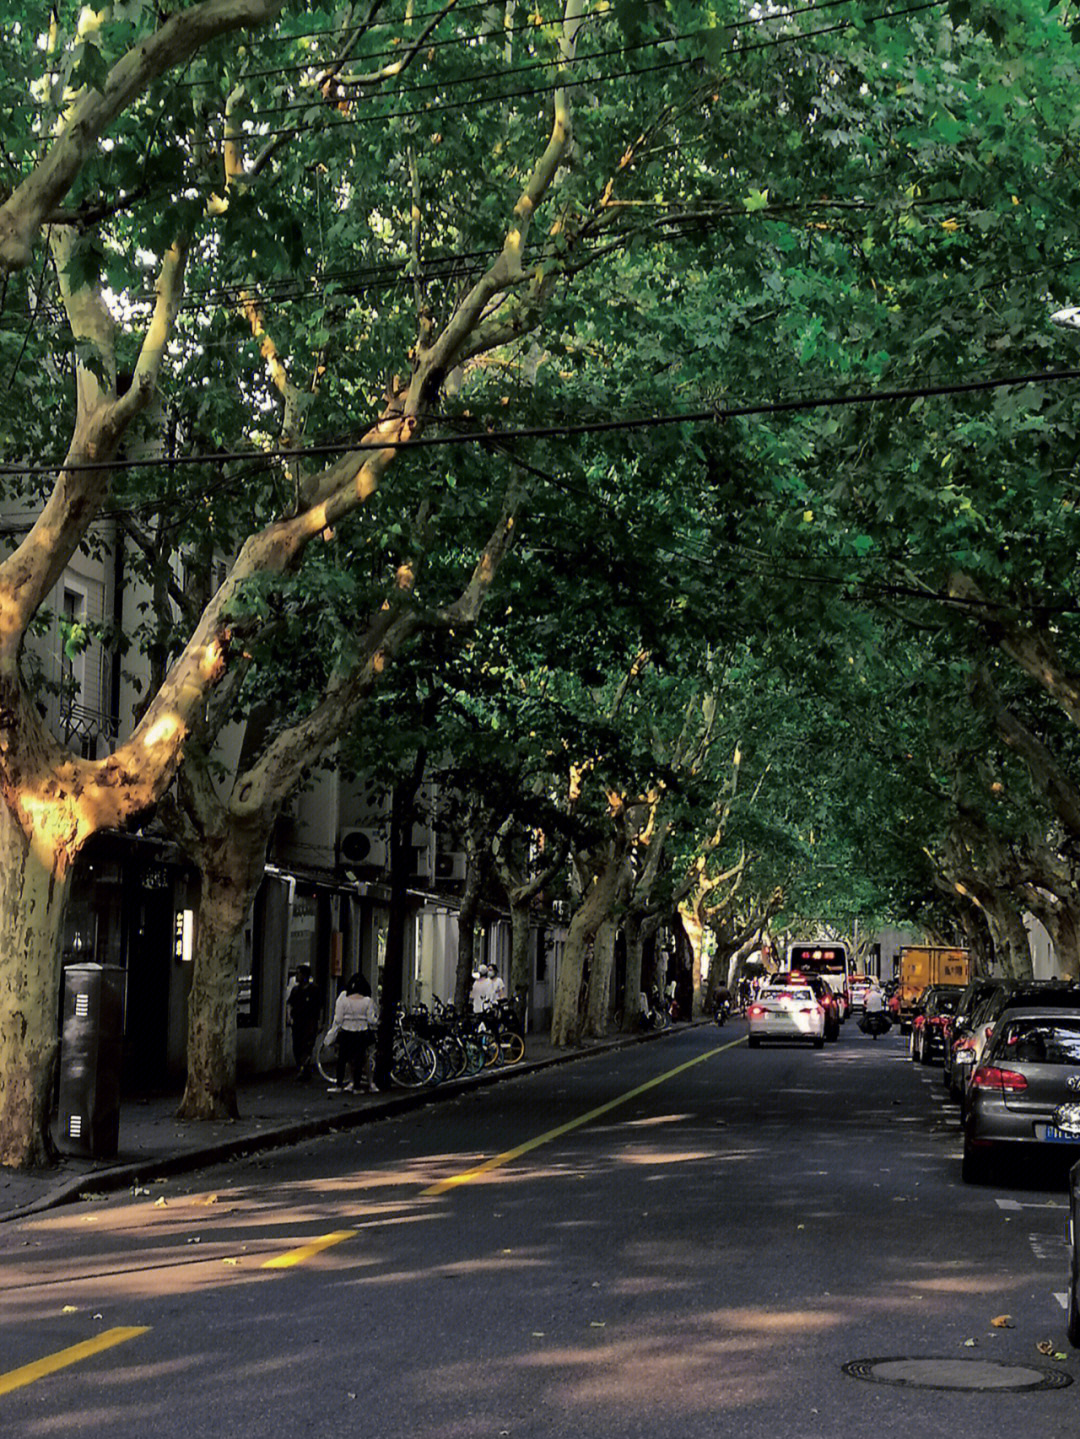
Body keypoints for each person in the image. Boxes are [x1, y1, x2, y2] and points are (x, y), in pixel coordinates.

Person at [325, 973, 378, 1093]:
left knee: (342, 1059)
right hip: (361, 1032)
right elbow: (371, 1020)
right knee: (359, 1060)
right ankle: (357, 1087)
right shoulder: (367, 1001)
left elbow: (338, 1019)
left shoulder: (344, 1000)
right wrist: (376, 1019)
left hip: (346, 1032)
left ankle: (339, 1085)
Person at [285, 965, 321, 1081]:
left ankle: (303, 1068)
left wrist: (320, 1022)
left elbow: (319, 1007)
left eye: (299, 974)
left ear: (305, 976)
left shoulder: (314, 990)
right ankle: (302, 1068)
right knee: (297, 1046)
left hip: (310, 1021)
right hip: (298, 1021)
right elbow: (289, 1004)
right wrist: (289, 1017)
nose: (297, 976)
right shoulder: (295, 990)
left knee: (307, 1044)